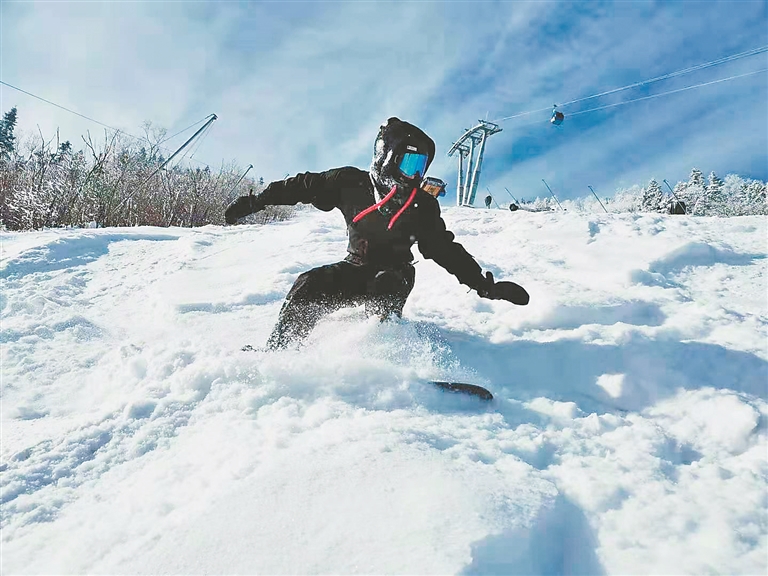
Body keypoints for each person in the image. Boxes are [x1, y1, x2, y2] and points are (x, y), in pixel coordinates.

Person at [225, 117, 528, 350]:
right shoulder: (349, 183)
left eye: (420, 167)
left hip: (395, 273)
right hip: (355, 269)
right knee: (308, 283)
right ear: (388, 156)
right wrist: (256, 201)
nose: (415, 175)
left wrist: (484, 286)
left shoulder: (421, 205)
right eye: (410, 163)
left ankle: (383, 352)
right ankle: (281, 350)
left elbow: (444, 249)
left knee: (387, 284)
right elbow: (300, 186)